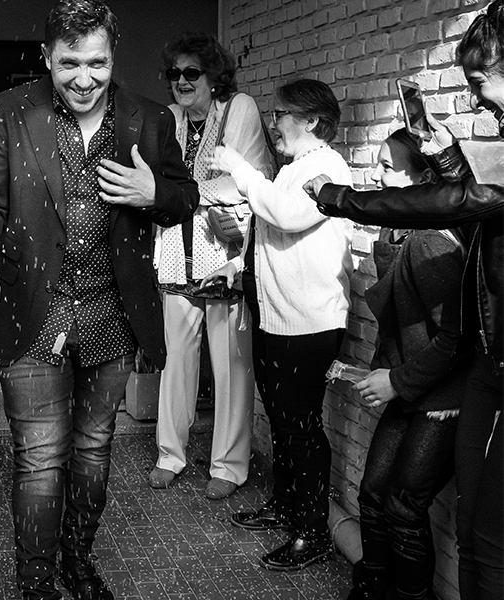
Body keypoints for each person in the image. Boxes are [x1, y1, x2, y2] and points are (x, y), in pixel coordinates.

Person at [0, 1, 199, 598]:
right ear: (47, 57)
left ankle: (77, 560)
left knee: (93, 448)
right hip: (33, 312)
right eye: (69, 64)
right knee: (40, 457)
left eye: (97, 63)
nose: (84, 78)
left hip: (113, 314)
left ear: (113, 56)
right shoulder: (8, 111)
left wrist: (154, 193)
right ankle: (36, 580)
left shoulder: (149, 119)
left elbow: (186, 198)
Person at [306, 3, 504, 597]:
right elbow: (477, 205)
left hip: (458, 383)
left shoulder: (427, 236)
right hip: (477, 376)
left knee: (470, 535)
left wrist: (339, 198)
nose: (478, 102)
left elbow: (455, 205)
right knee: (461, 532)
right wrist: (447, 156)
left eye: (480, 83)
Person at [204, 78, 353, 571]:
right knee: (283, 422)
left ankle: (313, 533)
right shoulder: (294, 168)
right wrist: (237, 265)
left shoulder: (328, 168)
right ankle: (287, 507)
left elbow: (288, 216)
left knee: (300, 427)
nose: (273, 123)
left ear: (312, 121)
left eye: (281, 114)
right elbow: (269, 233)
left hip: (308, 324)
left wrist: (240, 168)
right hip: (277, 319)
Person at [148, 31, 273, 499]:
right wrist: (174, 194)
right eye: (174, 73)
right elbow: (158, 182)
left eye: (191, 72)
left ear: (214, 75)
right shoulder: (170, 118)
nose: (181, 81)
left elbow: (237, 183)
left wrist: (175, 194)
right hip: (175, 255)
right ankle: (170, 455)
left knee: (231, 367)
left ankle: (229, 465)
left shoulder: (239, 108)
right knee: (175, 363)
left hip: (226, 257)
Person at [343, 128, 467, 600]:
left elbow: (456, 340)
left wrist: (395, 381)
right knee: (372, 496)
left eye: (387, 167)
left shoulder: (430, 242)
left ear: (422, 181)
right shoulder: (395, 230)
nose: (376, 176)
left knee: (402, 505)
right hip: (410, 386)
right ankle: (373, 587)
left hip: (443, 395)